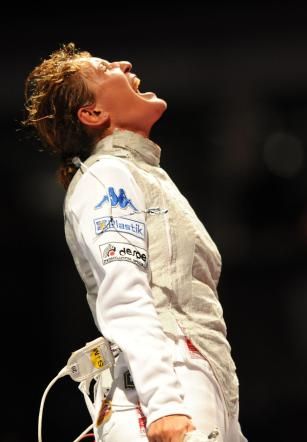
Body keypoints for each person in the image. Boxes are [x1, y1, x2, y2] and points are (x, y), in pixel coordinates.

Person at [24, 43, 247, 442]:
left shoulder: (141, 173)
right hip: (168, 383)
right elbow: (124, 293)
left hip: (201, 376)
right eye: (104, 68)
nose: (123, 64)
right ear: (93, 114)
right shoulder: (107, 176)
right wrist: (163, 403)